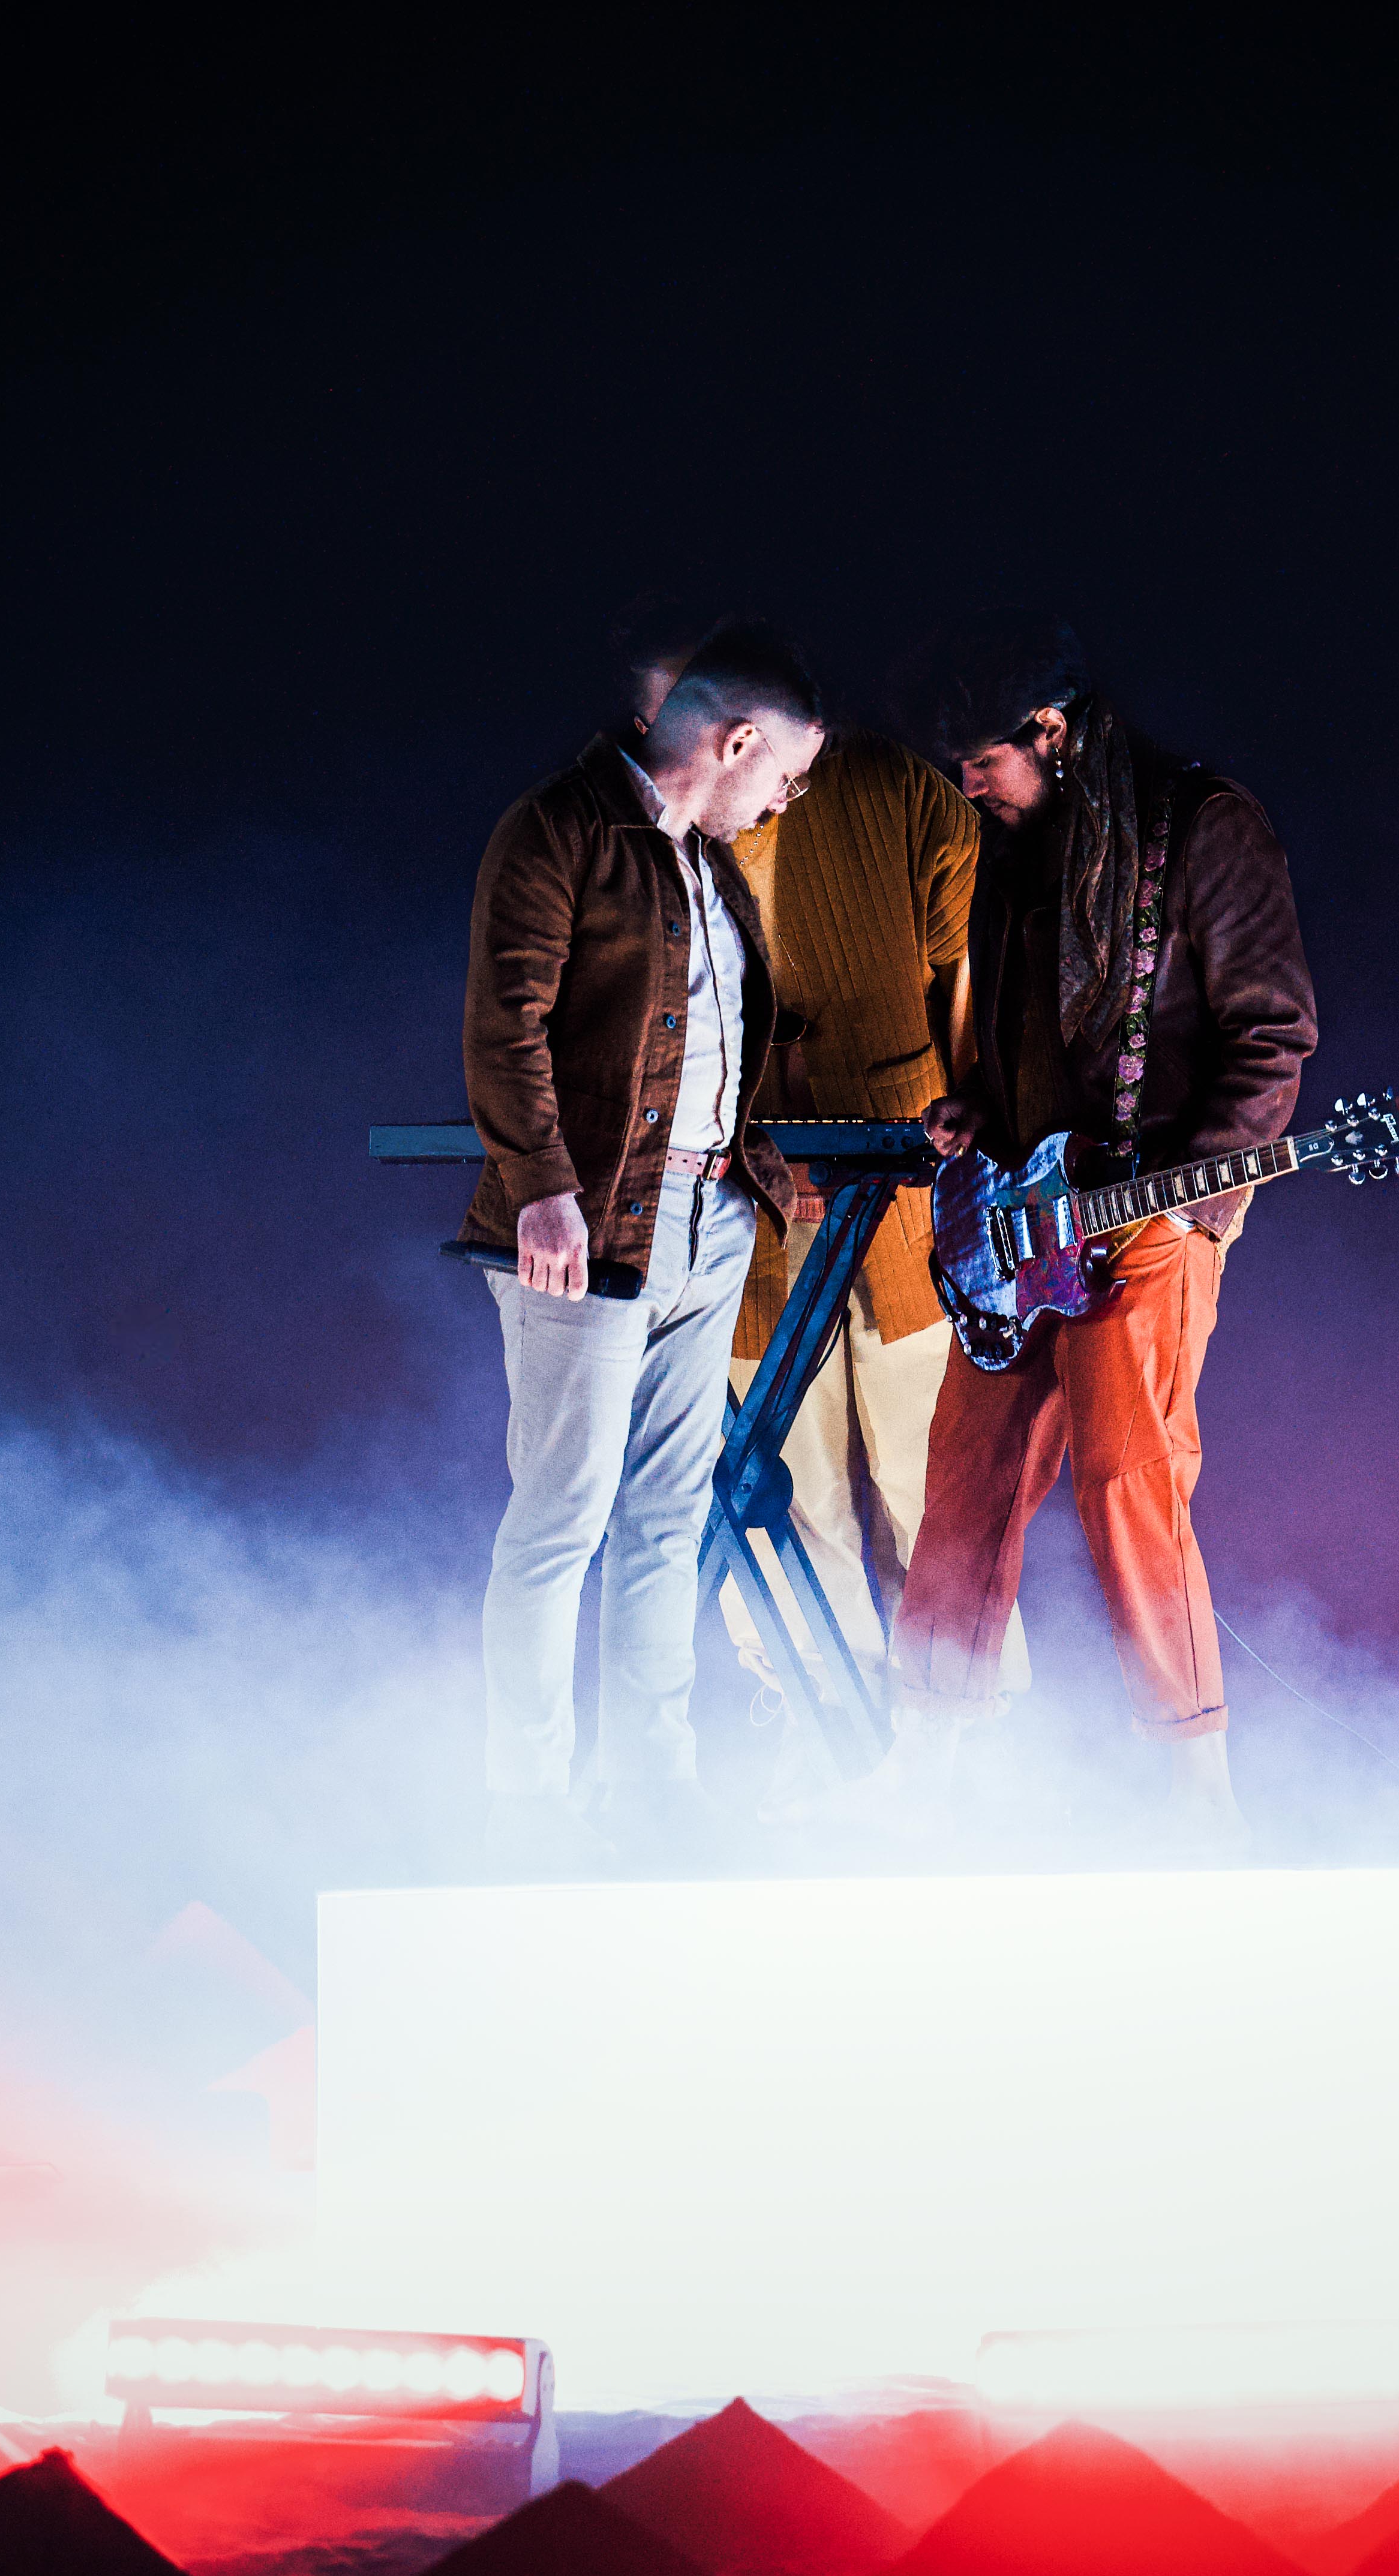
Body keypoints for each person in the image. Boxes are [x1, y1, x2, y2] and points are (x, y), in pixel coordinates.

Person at [883, 612, 1316, 1841]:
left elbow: (1273, 1034)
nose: (969, 783)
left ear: (1055, 729)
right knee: (964, 1482)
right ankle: (928, 1766)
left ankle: (1196, 1789)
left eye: (984, 758)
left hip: (1151, 1214)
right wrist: (976, 1105)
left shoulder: (1203, 824)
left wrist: (1196, 1203)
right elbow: (1018, 1031)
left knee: (1129, 1478)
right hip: (1019, 1229)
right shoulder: (1011, 846)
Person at [458, 619, 825, 1864]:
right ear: (733, 743)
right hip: (590, 1230)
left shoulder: (712, 869)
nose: (786, 799)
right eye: (782, 775)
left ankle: (651, 1787)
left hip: (707, 1221)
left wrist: (762, 1171)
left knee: (670, 1513)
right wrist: (543, 1189)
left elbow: (717, 1048)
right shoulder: (557, 829)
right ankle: (527, 1805)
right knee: (563, 1514)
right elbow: (504, 1026)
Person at [645, 656, 1029, 1745]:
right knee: (782, 1487)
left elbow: (973, 980)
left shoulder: (897, 792)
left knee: (932, 1476)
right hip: (746, 1214)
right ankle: (820, 1731)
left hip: (910, 1205)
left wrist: (965, 1131)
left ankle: (970, 1733)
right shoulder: (660, 824)